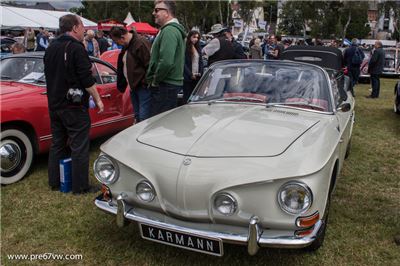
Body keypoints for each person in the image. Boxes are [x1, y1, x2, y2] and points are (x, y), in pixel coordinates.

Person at [44, 14, 104, 194]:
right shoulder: (76, 48)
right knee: (79, 145)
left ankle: (54, 181)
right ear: (75, 27)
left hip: (55, 103)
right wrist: (99, 100)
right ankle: (80, 186)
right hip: (73, 105)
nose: (84, 30)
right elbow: (87, 80)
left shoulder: (51, 47)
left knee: (58, 143)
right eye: (82, 26)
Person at [146, 0, 186, 116]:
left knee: (159, 125)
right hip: (167, 85)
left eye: (157, 10)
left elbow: (166, 62)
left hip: (165, 85)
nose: (154, 13)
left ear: (167, 13)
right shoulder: (169, 30)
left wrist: (155, 80)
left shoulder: (169, 30)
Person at [109, 26, 152, 122]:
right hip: (134, 87)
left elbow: (150, 66)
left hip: (142, 87)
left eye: (117, 42)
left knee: (143, 118)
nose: (117, 44)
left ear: (122, 38)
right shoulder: (127, 45)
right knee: (137, 116)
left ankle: (144, 136)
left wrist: (145, 82)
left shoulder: (141, 43)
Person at [183, 30, 204, 103]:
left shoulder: (198, 47)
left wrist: (201, 72)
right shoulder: (185, 47)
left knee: (195, 97)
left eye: (197, 38)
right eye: (194, 37)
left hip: (197, 76)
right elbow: (183, 63)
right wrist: (190, 74)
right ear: (189, 37)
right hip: (188, 77)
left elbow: (200, 61)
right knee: (187, 97)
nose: (196, 39)